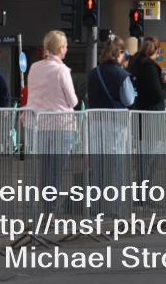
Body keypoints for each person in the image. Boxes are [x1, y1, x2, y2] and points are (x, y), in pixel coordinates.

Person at [26, 31, 79, 191]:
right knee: (56, 171)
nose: (67, 50)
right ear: (60, 48)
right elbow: (72, 100)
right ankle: (51, 210)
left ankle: (45, 207)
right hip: (61, 125)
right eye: (65, 46)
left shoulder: (35, 67)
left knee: (44, 169)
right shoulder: (61, 70)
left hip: (39, 124)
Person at [129, 38, 166, 111]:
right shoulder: (150, 67)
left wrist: (163, 81)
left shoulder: (136, 63)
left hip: (139, 109)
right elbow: (158, 95)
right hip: (152, 113)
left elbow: (149, 87)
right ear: (157, 51)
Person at [88, 38, 136, 110]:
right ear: (120, 52)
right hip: (116, 119)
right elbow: (129, 101)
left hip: (95, 118)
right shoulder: (122, 75)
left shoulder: (93, 73)